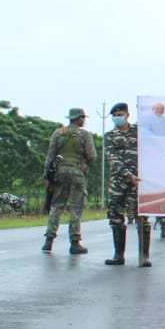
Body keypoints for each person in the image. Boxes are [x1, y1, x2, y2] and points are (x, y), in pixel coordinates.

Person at [103, 102, 152, 267]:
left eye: (120, 114)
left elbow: (151, 151)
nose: (118, 118)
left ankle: (144, 255)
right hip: (118, 181)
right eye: (115, 116)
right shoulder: (110, 136)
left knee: (142, 217)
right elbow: (112, 159)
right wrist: (127, 175)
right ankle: (118, 255)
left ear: (127, 115)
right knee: (116, 217)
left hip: (139, 181)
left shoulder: (139, 133)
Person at [42, 107, 96, 254]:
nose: (83, 121)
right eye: (83, 118)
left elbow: (50, 157)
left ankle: (49, 241)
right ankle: (75, 242)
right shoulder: (84, 135)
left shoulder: (58, 133)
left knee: (56, 207)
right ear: (78, 119)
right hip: (77, 174)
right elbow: (92, 155)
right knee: (76, 208)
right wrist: (84, 161)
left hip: (60, 173)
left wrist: (47, 176)